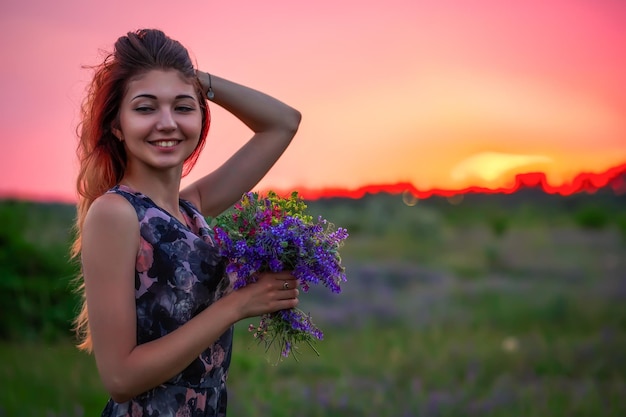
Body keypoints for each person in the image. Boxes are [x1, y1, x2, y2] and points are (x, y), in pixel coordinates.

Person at [71, 28, 301, 416]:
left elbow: (283, 123)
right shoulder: (115, 213)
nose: (167, 123)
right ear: (116, 125)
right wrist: (236, 305)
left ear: (200, 115)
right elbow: (120, 379)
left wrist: (200, 82)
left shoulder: (191, 209)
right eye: (145, 108)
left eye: (182, 107)